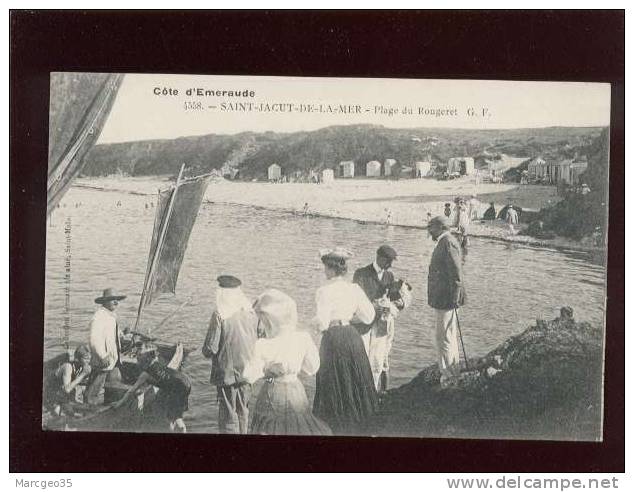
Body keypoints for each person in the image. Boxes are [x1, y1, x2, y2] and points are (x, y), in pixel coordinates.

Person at [243, 289, 332, 435]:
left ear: (269, 320)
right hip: (295, 390)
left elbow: (248, 376)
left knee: (270, 429)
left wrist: (266, 371)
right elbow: (312, 368)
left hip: (272, 391)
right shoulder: (303, 338)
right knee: (298, 426)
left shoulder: (263, 344)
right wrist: (294, 367)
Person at [312, 247, 378, 434]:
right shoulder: (354, 289)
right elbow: (369, 316)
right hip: (351, 336)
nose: (324, 271)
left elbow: (322, 323)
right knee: (354, 378)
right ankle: (357, 423)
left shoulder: (323, 291)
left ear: (331, 268)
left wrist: (314, 323)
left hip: (333, 338)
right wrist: (348, 318)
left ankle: (334, 424)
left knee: (333, 381)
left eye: (325, 267)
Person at [202, 275, 258, 434]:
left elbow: (210, 348)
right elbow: (259, 338)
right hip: (247, 372)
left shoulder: (220, 314)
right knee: (243, 411)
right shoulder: (251, 312)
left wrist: (205, 351)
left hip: (227, 375)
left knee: (228, 415)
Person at [114, 342, 190, 432]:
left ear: (143, 363)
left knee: (169, 418)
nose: (138, 362)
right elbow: (165, 378)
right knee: (177, 414)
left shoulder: (145, 374)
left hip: (178, 387)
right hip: (185, 381)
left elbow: (132, 390)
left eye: (139, 361)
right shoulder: (157, 364)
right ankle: (183, 430)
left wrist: (120, 402)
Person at [427, 216, 466, 387]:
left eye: (431, 228)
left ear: (440, 227)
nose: (429, 232)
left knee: (443, 337)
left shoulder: (447, 242)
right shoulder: (447, 241)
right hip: (447, 298)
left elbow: (456, 273)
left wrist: (454, 298)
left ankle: (448, 375)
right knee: (448, 336)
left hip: (447, 299)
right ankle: (453, 371)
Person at [352, 245, 398, 390]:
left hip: (381, 323)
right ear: (379, 257)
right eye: (388, 261)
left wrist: (398, 294)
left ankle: (375, 390)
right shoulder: (361, 274)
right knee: (362, 357)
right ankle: (360, 390)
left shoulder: (389, 276)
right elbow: (356, 300)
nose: (390, 265)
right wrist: (374, 305)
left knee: (379, 358)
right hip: (364, 324)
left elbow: (393, 298)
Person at [85, 288, 128, 405]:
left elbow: (114, 334)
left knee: (115, 385)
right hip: (103, 362)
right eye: (112, 299)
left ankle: (111, 406)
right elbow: (93, 340)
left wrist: (123, 336)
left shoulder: (111, 316)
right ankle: (89, 410)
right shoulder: (99, 317)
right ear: (104, 302)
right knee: (93, 393)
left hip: (114, 361)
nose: (116, 302)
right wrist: (103, 356)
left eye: (117, 300)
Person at [44, 344, 92, 416]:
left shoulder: (82, 366)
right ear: (78, 358)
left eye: (89, 359)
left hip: (61, 391)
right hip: (50, 391)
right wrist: (83, 374)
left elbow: (79, 383)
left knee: (75, 410)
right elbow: (67, 389)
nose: (88, 361)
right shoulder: (68, 367)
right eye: (85, 358)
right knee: (61, 414)